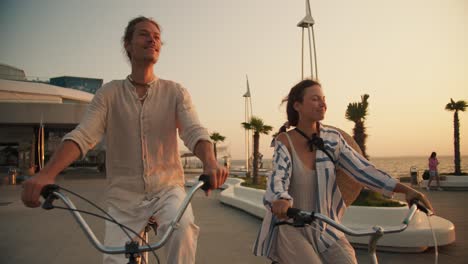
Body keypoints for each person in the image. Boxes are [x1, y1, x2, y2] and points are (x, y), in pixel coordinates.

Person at [21, 16, 228, 264]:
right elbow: (83, 135)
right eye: (143, 34)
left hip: (167, 190)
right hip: (123, 198)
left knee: (182, 230)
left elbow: (194, 130)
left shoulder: (175, 92)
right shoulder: (109, 93)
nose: (152, 39)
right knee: (115, 260)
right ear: (127, 44)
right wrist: (47, 174)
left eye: (157, 36)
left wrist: (210, 162)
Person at [253, 79, 433, 264]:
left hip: (327, 227)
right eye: (315, 99)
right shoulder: (285, 141)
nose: (323, 103)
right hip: (291, 226)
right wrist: (280, 199)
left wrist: (408, 190)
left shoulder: (333, 139)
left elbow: (363, 170)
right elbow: (277, 178)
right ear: (297, 105)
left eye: (323, 99)